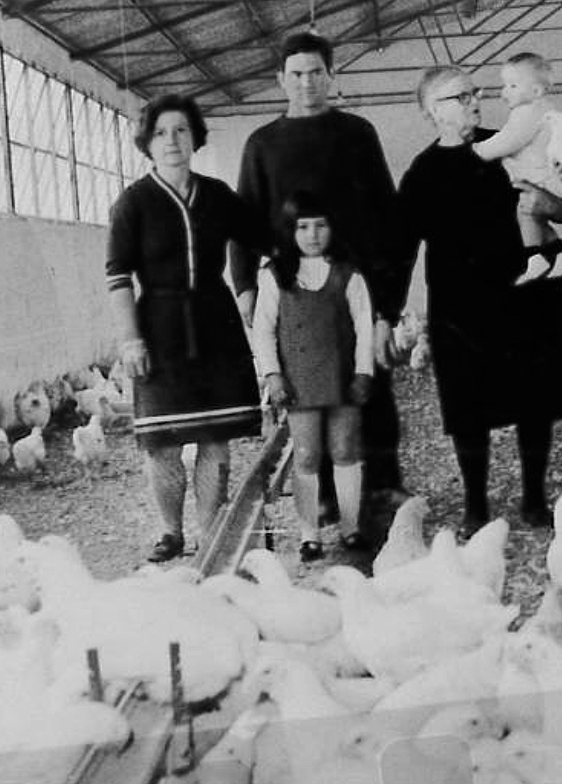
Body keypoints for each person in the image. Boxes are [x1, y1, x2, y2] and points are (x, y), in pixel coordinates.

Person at [391, 65, 562, 531]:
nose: (474, 102)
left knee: (534, 400)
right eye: (459, 97)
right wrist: (389, 313)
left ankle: (534, 498)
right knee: (467, 408)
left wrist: (550, 204)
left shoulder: (509, 145)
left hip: (526, 293)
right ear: (431, 112)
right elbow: (402, 247)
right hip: (461, 304)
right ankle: (476, 504)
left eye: (474, 93)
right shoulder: (422, 173)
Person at [230, 32, 406, 530]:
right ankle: (326, 494)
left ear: (331, 76)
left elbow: (386, 217)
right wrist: (245, 286)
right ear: (280, 79)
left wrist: (387, 305)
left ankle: (382, 484)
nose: (306, 83)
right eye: (296, 74)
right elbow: (244, 222)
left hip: (354, 283)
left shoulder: (358, 134)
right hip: (295, 292)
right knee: (309, 390)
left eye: (315, 73)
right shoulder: (262, 144)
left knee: (369, 383)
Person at [106, 94, 263, 562]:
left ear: (195, 137)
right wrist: (130, 339)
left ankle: (211, 531)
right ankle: (170, 531)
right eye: (160, 133)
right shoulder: (133, 202)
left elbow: (261, 236)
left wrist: (255, 287)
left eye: (180, 130)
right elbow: (118, 275)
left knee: (215, 437)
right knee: (163, 443)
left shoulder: (217, 194)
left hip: (216, 323)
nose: (171, 140)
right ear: (146, 143)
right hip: (159, 328)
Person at [250, 192, 374, 560]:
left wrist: (363, 372)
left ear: (333, 228)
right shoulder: (275, 275)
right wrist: (273, 374)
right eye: (303, 227)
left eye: (321, 225)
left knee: (345, 450)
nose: (313, 234)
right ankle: (309, 535)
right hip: (299, 380)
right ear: (290, 231)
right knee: (305, 455)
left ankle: (351, 528)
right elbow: (263, 329)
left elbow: (364, 326)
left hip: (342, 378)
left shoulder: (348, 274)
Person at [471, 52, 562, 285]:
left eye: (512, 85)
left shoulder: (527, 113)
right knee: (536, 218)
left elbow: (508, 140)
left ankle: (534, 257)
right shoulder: (542, 110)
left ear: (536, 91)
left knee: (526, 212)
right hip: (548, 179)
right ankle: (560, 255)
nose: (504, 92)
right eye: (504, 85)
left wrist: (480, 150)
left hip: (541, 178)